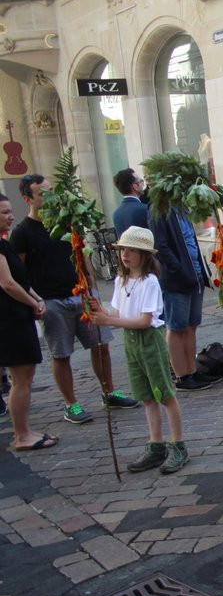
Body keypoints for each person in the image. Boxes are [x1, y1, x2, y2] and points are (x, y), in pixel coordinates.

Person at [9, 174, 137, 424]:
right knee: (62, 354)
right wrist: (35, 300)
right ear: (28, 199)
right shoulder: (22, 233)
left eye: (50, 190)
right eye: (42, 193)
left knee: (101, 346)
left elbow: (82, 253)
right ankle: (71, 404)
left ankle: (109, 392)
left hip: (81, 294)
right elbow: (20, 271)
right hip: (52, 300)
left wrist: (92, 287)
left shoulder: (66, 222)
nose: (49, 196)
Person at [90, 227, 190, 474]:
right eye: (123, 249)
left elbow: (145, 320)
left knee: (164, 394)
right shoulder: (121, 280)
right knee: (146, 395)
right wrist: (100, 312)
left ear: (145, 255)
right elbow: (119, 313)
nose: (126, 254)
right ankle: (156, 444)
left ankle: (177, 444)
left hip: (149, 340)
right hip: (131, 342)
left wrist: (109, 321)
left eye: (132, 250)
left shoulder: (150, 282)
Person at [149, 180, 217, 392]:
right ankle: (181, 375)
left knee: (191, 325)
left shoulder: (182, 208)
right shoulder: (158, 208)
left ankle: (192, 370)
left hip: (194, 274)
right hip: (177, 279)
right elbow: (160, 244)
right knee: (176, 327)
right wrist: (177, 268)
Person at [0, 194, 55, 451]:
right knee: (21, 378)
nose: (11, 216)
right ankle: (22, 435)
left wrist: (36, 297)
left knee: (26, 377)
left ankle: (26, 430)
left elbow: (20, 280)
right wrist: (34, 303)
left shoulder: (5, 243)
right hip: (10, 319)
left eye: (10, 211)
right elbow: (7, 283)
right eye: (5, 212)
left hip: (18, 315)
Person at [111, 168, 148, 238]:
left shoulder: (116, 214)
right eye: (141, 181)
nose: (143, 184)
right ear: (135, 187)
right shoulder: (145, 209)